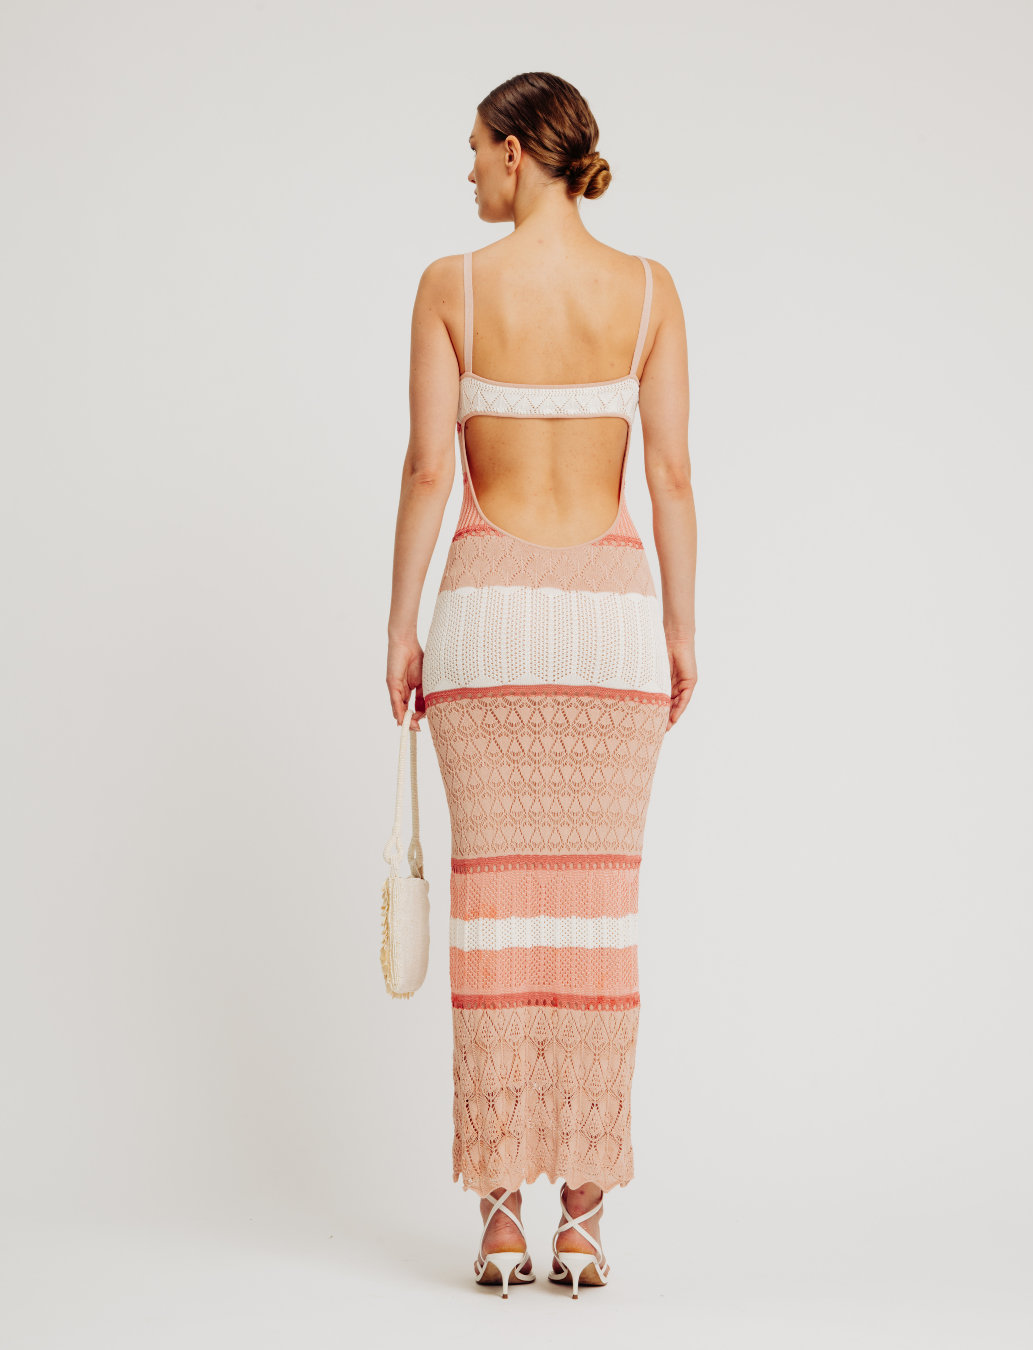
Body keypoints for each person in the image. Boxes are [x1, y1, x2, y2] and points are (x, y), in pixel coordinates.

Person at [385, 71, 697, 1298]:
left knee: (496, 917)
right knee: (598, 919)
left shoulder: (451, 287)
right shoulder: (649, 292)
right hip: (613, 629)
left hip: (490, 623)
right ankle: (586, 1225)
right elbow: (670, 477)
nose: (467, 171)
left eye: (475, 149)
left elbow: (428, 470)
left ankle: (501, 1222)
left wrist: (399, 626)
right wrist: (680, 627)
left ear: (518, 153)